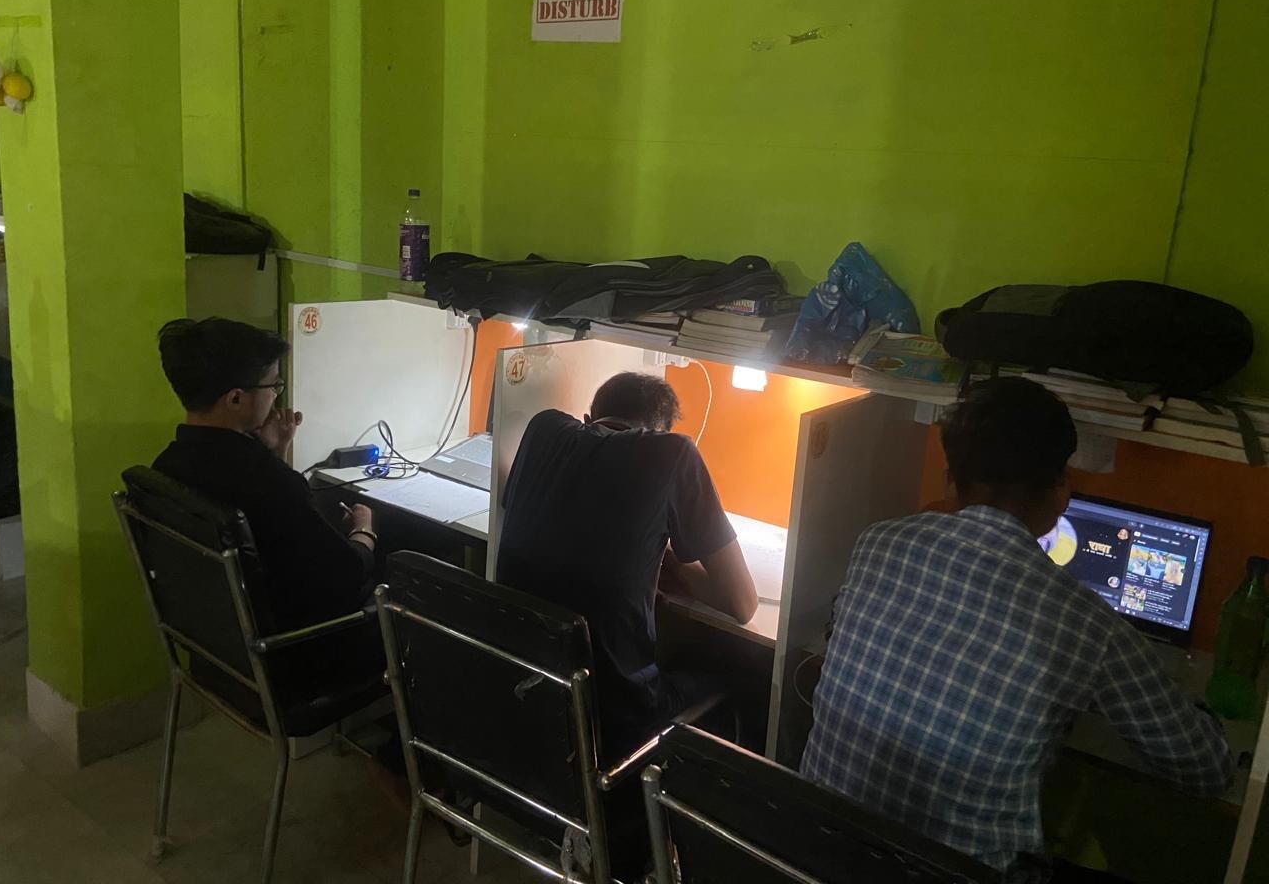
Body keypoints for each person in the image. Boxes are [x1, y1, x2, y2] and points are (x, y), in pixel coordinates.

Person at [800, 377, 1232, 883]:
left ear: (949, 479)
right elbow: (1206, 770)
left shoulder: (879, 542)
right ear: (1061, 489)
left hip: (813, 852)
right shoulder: (1087, 624)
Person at [496, 371, 758, 758]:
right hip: (616, 709)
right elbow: (742, 604)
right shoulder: (672, 453)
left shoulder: (542, 428)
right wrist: (671, 560)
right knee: (743, 674)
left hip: (524, 686)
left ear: (589, 419)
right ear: (659, 433)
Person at [152, 318, 380, 682]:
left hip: (219, 653)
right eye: (273, 386)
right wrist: (364, 530)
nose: (276, 396)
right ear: (236, 398)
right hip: (295, 659)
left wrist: (275, 451)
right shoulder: (268, 482)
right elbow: (347, 574)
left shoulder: (166, 466)